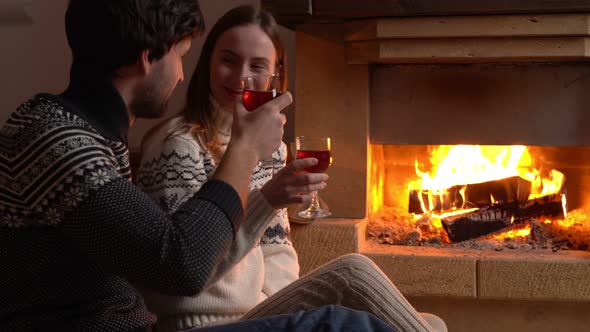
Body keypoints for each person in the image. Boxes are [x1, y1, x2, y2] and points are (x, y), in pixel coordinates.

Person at [0, 1, 343, 331]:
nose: (181, 75)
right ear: (147, 58)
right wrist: (246, 148)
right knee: (344, 319)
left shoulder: (88, 136)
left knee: (352, 283)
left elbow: (163, 255)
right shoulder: (55, 140)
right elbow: (184, 266)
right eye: (180, 56)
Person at [136, 5, 447, 332]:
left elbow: (276, 253)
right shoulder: (178, 147)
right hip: (197, 323)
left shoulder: (271, 149)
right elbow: (181, 276)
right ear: (207, 63)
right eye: (228, 60)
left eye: (257, 66)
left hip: (254, 316)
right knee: (353, 274)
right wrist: (266, 200)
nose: (242, 76)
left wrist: (290, 318)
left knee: (432, 323)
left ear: (275, 75)